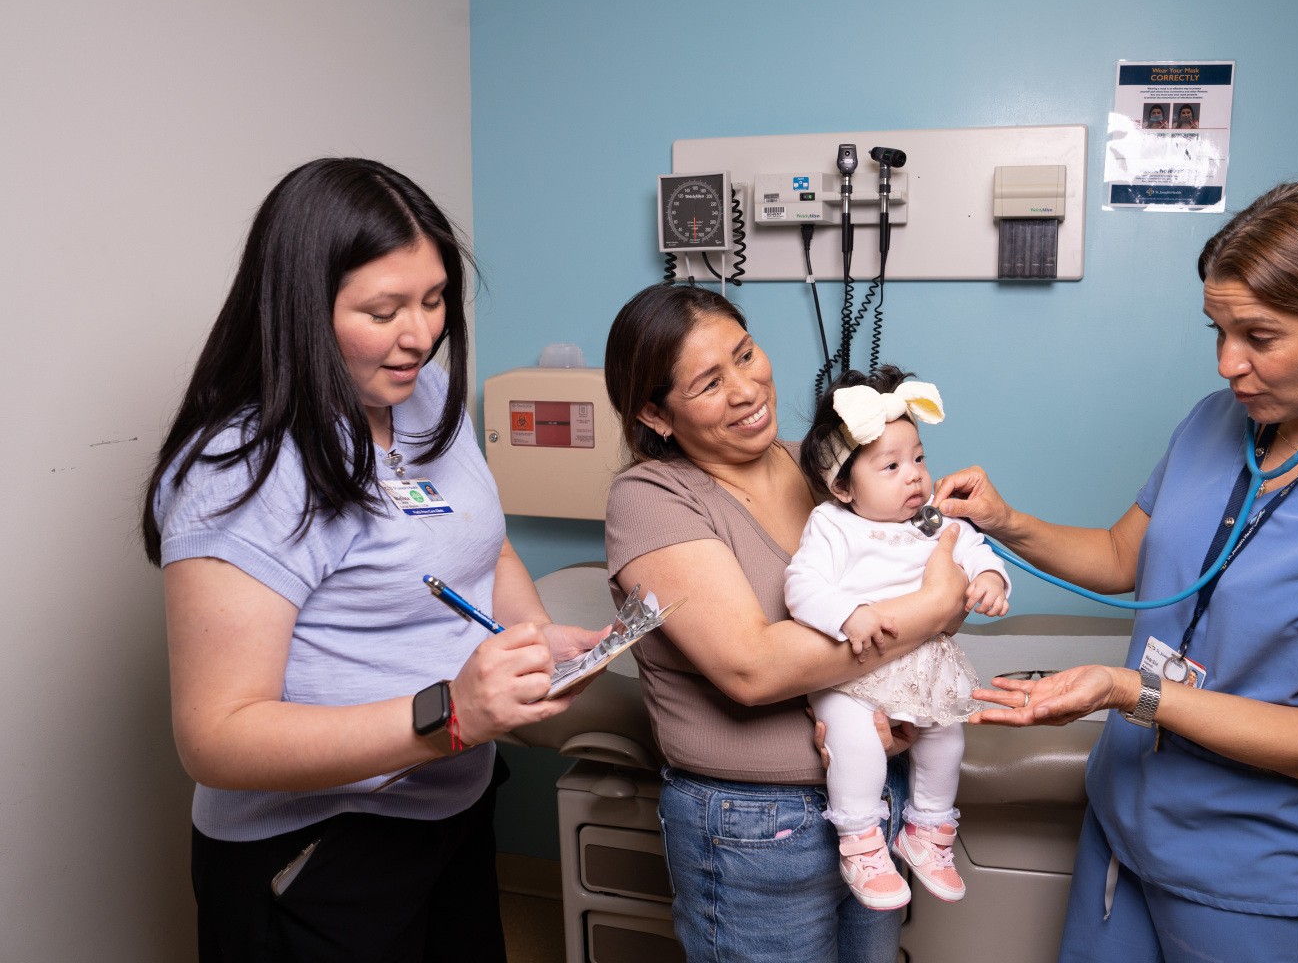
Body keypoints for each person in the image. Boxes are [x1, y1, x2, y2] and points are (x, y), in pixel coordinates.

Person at [937, 179, 1298, 963]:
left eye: (1259, 336)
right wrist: (1004, 521)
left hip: (1251, 875)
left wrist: (1128, 689)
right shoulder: (1218, 421)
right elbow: (1122, 558)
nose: (1228, 363)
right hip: (1121, 828)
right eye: (1219, 330)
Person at [141, 157, 603, 962]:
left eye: (434, 300)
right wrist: (451, 715)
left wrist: (531, 641)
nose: (419, 335)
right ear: (301, 309)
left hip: (452, 809)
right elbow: (217, 737)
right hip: (321, 848)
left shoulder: (424, 394)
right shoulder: (240, 474)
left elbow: (482, 544)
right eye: (383, 311)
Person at [603, 284, 970, 963]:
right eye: (709, 382)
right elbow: (752, 666)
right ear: (655, 412)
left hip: (873, 799)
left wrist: (906, 708)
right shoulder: (650, 500)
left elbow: (909, 570)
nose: (746, 390)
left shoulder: (825, 469)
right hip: (753, 827)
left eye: (745, 355)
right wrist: (933, 609)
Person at [785, 366, 1010, 910]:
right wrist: (847, 614)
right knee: (856, 742)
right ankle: (860, 842)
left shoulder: (929, 520)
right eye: (891, 466)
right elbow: (801, 585)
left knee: (946, 739)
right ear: (843, 487)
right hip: (852, 671)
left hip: (918, 666)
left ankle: (926, 831)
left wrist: (989, 578)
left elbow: (974, 549)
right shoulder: (832, 524)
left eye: (919, 459)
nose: (914, 477)